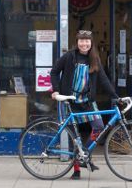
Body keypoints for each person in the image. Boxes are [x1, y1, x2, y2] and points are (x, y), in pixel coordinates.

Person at [50, 30, 117, 180]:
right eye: (81, 40)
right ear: (77, 42)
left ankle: (84, 153)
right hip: (70, 101)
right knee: (75, 137)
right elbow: (54, 72)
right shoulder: (69, 56)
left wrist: (115, 96)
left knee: (99, 126)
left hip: (88, 101)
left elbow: (104, 80)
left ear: (91, 43)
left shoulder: (95, 59)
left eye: (87, 41)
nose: (84, 43)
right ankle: (76, 170)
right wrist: (55, 90)